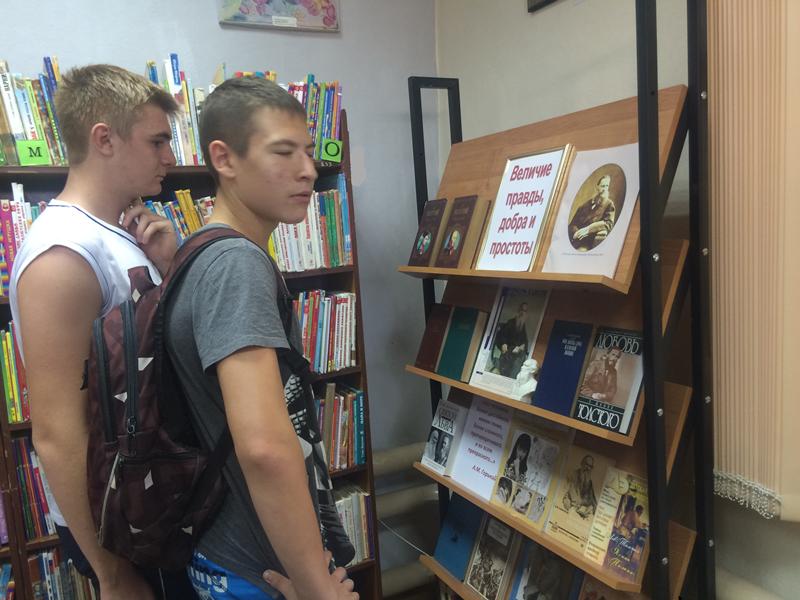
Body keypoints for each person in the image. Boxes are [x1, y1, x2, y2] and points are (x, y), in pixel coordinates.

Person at [164, 76, 358, 599]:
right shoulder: (236, 265)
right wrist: (316, 587)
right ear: (224, 159)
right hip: (259, 568)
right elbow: (264, 447)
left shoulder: (199, 248)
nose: (308, 170)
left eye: (309, 152)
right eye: (283, 152)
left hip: (224, 550)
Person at [10, 65, 196, 599]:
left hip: (156, 499)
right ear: (104, 139)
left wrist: (172, 265)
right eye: (157, 141)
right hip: (123, 522)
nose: (170, 157)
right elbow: (57, 430)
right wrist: (111, 574)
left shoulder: (123, 232)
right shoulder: (63, 255)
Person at [568, 174, 616, 251]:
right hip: (575, 241)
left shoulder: (609, 205)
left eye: (607, 186)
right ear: (597, 187)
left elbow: (609, 223)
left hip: (588, 243)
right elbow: (572, 224)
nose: (605, 189)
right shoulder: (584, 205)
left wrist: (589, 229)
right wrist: (576, 233)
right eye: (602, 186)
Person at [492, 301, 530, 378]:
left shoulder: (522, 326)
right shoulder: (511, 322)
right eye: (521, 310)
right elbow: (502, 335)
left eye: (525, 311)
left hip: (517, 352)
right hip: (508, 350)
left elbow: (525, 340)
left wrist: (522, 346)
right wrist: (503, 343)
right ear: (518, 311)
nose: (522, 313)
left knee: (520, 359)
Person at [562, 454, 598, 519]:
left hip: (582, 514)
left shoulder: (589, 482)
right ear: (582, 463)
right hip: (571, 510)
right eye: (586, 464)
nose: (588, 468)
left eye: (590, 466)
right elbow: (566, 493)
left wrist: (591, 508)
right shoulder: (573, 474)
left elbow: (593, 501)